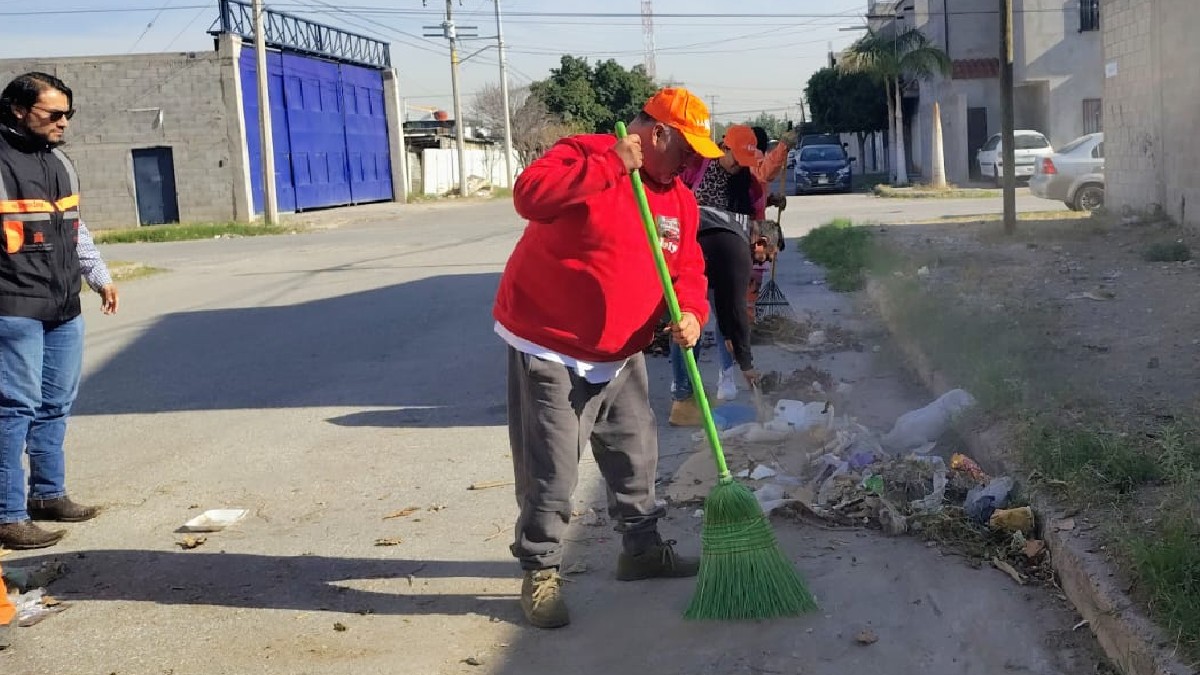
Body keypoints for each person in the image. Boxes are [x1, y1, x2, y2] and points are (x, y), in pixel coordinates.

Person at [493, 87, 720, 629]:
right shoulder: (585, 152)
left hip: (621, 351)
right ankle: (541, 568)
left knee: (636, 457)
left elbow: (688, 269)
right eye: (687, 150)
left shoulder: (679, 200)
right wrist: (610, 165)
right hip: (551, 345)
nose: (691, 164)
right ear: (658, 134)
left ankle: (641, 551)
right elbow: (530, 196)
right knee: (552, 470)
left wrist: (692, 313)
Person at [0, 73, 118, 551]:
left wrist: (99, 275)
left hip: (63, 303)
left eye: (68, 113)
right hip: (12, 304)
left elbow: (75, 227)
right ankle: (7, 515)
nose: (64, 122)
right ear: (18, 110)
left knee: (55, 403)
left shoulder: (60, 161)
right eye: (54, 114)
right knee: (14, 409)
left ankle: (48, 494)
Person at [668, 126, 782, 424]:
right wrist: (748, 362)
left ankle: (721, 381)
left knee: (724, 318)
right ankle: (683, 395)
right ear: (724, 147)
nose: (738, 167)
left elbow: (756, 227)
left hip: (720, 260)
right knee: (687, 322)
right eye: (736, 159)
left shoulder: (749, 187)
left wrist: (752, 275)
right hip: (688, 255)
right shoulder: (697, 166)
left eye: (745, 161)